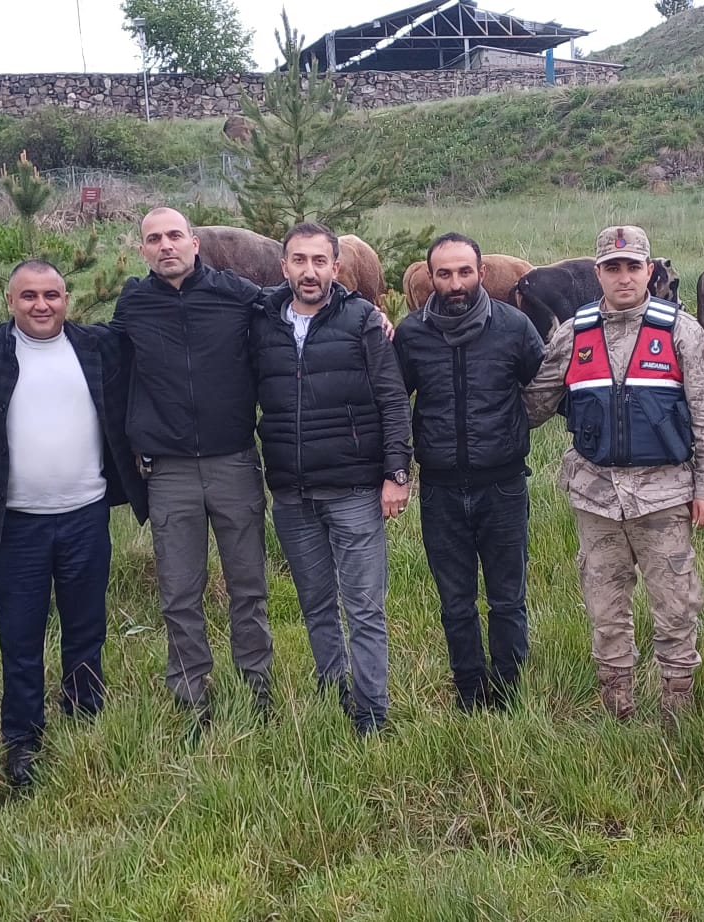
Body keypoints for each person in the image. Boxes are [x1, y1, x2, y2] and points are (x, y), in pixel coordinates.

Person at [0, 259, 146, 788]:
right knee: (20, 635)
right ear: (10, 302)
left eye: (51, 294)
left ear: (66, 298)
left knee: (85, 629)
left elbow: (159, 345)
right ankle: (23, 740)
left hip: (85, 515)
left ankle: (84, 720)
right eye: (28, 296)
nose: (41, 305)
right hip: (16, 525)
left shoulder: (99, 347)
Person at [525, 225, 704, 725]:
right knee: (605, 606)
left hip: (664, 494)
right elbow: (533, 404)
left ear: (650, 270)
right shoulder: (573, 334)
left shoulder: (682, 332)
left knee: (675, 606)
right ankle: (618, 706)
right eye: (612, 268)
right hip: (595, 497)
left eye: (633, 266)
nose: (623, 277)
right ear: (598, 274)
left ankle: (677, 708)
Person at [110, 207, 274, 721]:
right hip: (170, 472)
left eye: (175, 236)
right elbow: (103, 361)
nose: (166, 246)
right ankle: (190, 692)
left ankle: (258, 685)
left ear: (195, 243)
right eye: (154, 239)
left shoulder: (236, 294)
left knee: (248, 586)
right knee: (179, 591)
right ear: (142, 250)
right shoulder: (133, 305)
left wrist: (364, 310)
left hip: (234, 462)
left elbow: (297, 306)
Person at [252, 223, 412, 736]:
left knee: (364, 607)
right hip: (292, 493)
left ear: (336, 268)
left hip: (354, 490)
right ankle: (331, 689)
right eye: (299, 260)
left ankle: (371, 712)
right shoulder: (263, 322)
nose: (309, 271)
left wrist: (396, 473)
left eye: (320, 261)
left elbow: (392, 399)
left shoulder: (363, 320)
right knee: (316, 603)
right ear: (284, 267)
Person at [394, 232, 546, 712]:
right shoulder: (412, 334)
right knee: (455, 601)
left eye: (464, 272)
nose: (455, 283)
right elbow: (394, 400)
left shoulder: (514, 327)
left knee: (507, 598)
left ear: (481, 273)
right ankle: (468, 689)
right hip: (439, 489)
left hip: (501, 484)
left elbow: (543, 388)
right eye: (444, 273)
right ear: (429, 277)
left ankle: (505, 690)